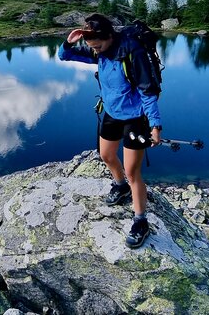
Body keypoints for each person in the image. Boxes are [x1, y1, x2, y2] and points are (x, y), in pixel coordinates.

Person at [59, 13, 162, 248]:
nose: (96, 51)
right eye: (92, 47)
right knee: (105, 155)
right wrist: (71, 40)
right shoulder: (100, 51)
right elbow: (64, 56)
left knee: (132, 170)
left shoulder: (131, 52)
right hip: (111, 113)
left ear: (109, 37)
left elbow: (147, 91)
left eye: (99, 46)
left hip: (136, 118)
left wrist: (155, 125)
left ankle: (140, 221)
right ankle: (120, 186)